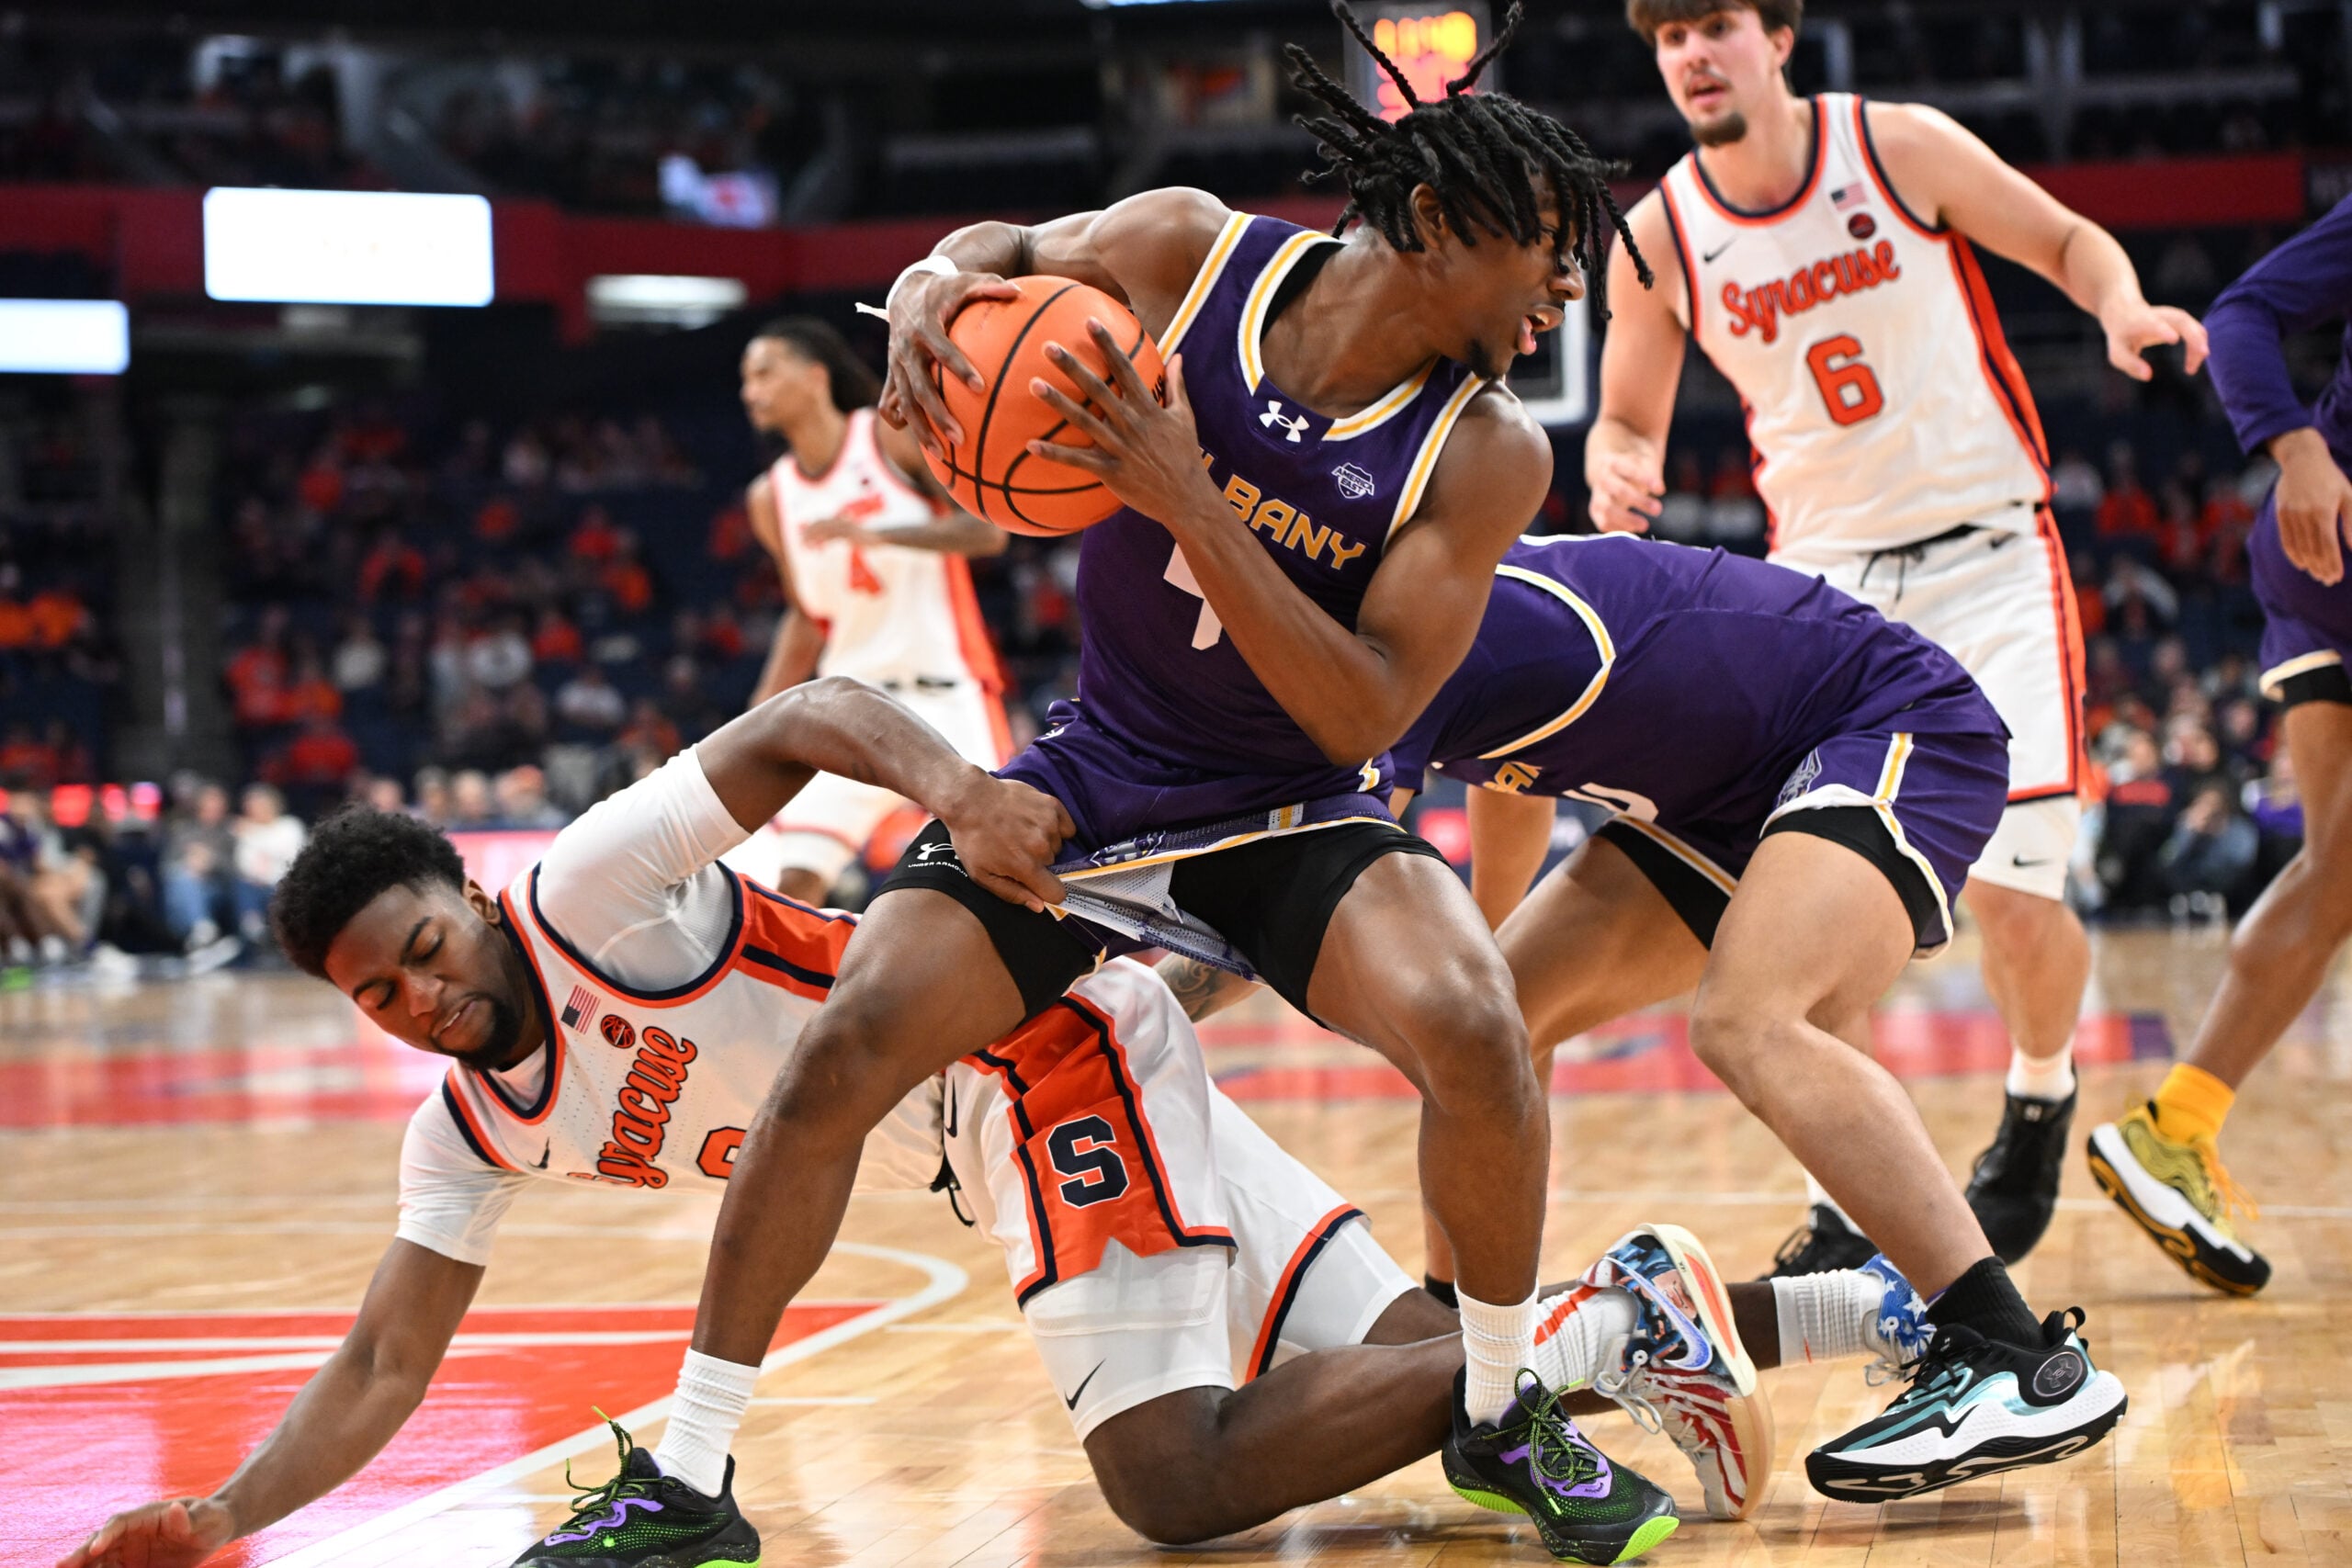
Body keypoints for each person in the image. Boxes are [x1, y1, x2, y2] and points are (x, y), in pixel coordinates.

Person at [53, 675, 1923, 1568]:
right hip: (1055, 1083)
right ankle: (1829, 1312)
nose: (424, 1001)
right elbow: (388, 1354)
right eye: (381, 999)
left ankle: (1599, 1332)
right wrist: (220, 1513)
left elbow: (806, 710)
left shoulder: (586, 887)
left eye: (421, 952)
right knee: (1429, 1360)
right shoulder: (465, 1132)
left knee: (1173, 1487)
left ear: (461, 898)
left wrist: (957, 790)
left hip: (1041, 1063)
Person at [644, 8, 1687, 1558]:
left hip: (1293, 804)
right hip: (1106, 769)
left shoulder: (1485, 453)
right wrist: (935, 285)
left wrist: (1187, 495)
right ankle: (688, 1477)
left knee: (1474, 1022)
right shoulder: (1191, 251)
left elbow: (1364, 709)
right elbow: (997, 244)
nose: (1564, 288)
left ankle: (1495, 1408)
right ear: (1445, 222)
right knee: (852, 1034)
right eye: (1545, 249)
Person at [1164, 530, 2130, 1501]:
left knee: (1746, 1020)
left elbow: (1319, 885)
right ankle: (1461, 1345)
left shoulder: (1392, 629)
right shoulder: (1407, 615)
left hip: (1884, 721)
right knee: (1491, 1029)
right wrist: (1483, 976)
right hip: (1715, 797)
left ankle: (2012, 1357)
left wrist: (1140, 1007)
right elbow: (1506, 785)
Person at [1585, 0, 2209, 1269]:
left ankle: (2039, 1096)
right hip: (1827, 587)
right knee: (1819, 912)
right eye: (1669, 40)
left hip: (1990, 555)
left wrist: (2122, 309)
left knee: (2018, 899)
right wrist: (1617, 464)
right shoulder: (1656, 238)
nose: (1694, 55)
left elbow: (2072, 239)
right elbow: (1624, 417)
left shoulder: (1896, 146)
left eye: (1715, 26)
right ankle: (1849, 1194)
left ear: (1777, 37)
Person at [2087, 192, 2352, 1297]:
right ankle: (2170, 1127)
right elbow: (2240, 314)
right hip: (2327, 534)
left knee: (2335, 871)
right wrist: (2292, 449)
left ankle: (2173, 1128)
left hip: (2310, 565)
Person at [722, 316, 1012, 906]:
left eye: (764, 372)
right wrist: (756, 711)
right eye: (745, 379)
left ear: (814, 375)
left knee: (1005, 864)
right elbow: (806, 617)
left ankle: (1077, 991)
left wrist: (883, 535)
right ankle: (801, 999)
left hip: (944, 694)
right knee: (796, 880)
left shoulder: (886, 437)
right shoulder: (770, 497)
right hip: (850, 702)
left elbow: (986, 534)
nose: (751, 390)